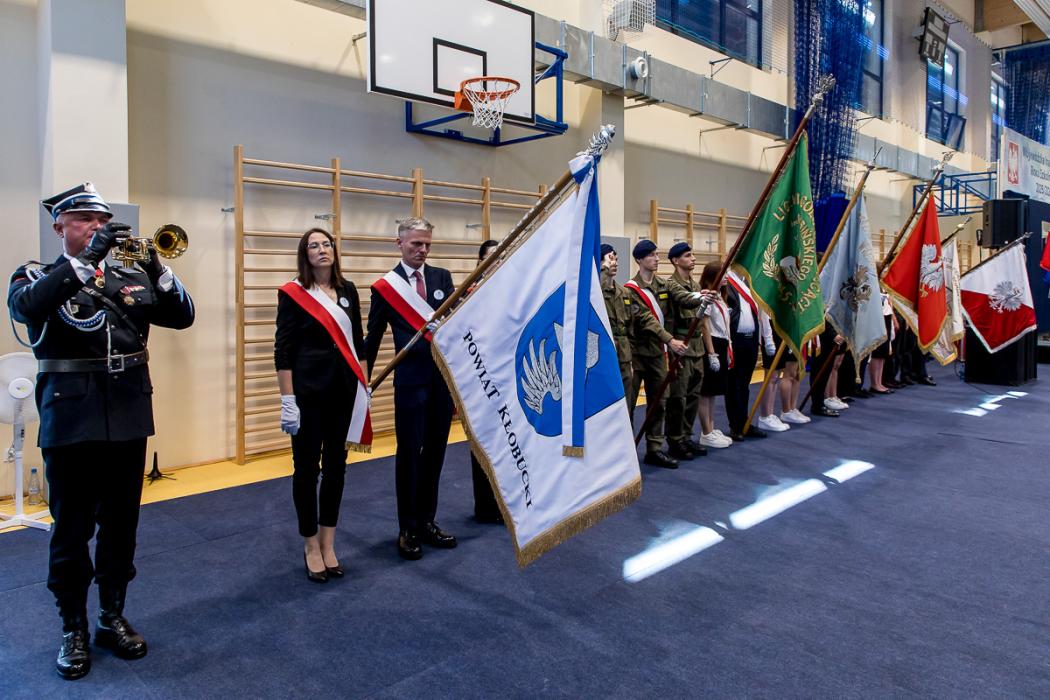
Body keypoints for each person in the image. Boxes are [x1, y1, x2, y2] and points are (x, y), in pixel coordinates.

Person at [8, 183, 195, 680]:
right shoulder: (35, 275)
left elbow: (182, 316)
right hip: (72, 418)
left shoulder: (129, 277)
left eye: (102, 221)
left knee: (121, 524)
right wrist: (86, 259)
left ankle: (111, 617)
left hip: (128, 411)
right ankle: (72, 626)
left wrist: (157, 266)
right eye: (85, 220)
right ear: (59, 227)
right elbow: (28, 309)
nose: (96, 227)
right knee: (72, 530)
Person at [275, 228, 368, 583]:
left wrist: (364, 387)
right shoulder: (294, 294)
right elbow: (283, 351)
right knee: (305, 470)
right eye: (313, 246)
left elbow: (358, 342)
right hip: (308, 397)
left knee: (336, 468)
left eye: (326, 244)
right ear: (305, 254)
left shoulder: (348, 290)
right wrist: (287, 399)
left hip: (343, 394)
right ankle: (310, 543)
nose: (321, 249)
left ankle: (329, 542)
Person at [365, 217, 457, 560]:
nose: (422, 250)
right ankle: (407, 528)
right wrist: (362, 380)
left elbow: (454, 326)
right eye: (416, 243)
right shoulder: (385, 288)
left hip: (441, 381)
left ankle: (427, 521)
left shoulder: (442, 278)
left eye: (427, 244)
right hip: (410, 382)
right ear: (400, 243)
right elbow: (373, 337)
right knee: (408, 456)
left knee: (435, 453)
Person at [624, 239, 698, 468]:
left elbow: (683, 297)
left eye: (657, 255)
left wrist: (701, 297)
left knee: (659, 402)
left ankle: (654, 449)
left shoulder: (664, 285)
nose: (656, 259)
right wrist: (671, 341)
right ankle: (625, 453)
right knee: (629, 404)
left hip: (658, 353)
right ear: (639, 260)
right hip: (637, 354)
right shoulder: (630, 290)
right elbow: (647, 321)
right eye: (651, 255)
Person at [664, 242, 714, 459]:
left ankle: (686, 435)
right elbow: (683, 300)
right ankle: (675, 440)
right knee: (678, 397)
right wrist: (700, 297)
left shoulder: (695, 285)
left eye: (692, 255)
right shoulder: (671, 284)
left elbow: (702, 320)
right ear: (676, 261)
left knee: (693, 395)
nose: (693, 258)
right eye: (687, 255)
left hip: (696, 347)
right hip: (681, 346)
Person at [469, 240, 502, 524]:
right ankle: (485, 505)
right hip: (480, 380)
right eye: (491, 257)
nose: (497, 261)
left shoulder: (511, 293)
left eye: (501, 256)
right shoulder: (470, 294)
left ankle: (503, 502)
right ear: (480, 262)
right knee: (482, 444)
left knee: (506, 444)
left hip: (506, 378)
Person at [725, 270, 769, 440]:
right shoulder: (727, 282)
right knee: (733, 384)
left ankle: (745, 422)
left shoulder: (750, 283)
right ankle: (735, 426)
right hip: (735, 340)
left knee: (745, 384)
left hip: (751, 340)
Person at [697, 261, 733, 449]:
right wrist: (711, 353)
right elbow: (704, 325)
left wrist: (728, 348)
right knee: (706, 391)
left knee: (713, 392)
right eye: (723, 273)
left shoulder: (720, 296)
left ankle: (711, 427)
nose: (726, 277)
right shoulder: (707, 295)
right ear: (713, 276)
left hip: (722, 343)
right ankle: (705, 432)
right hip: (711, 344)